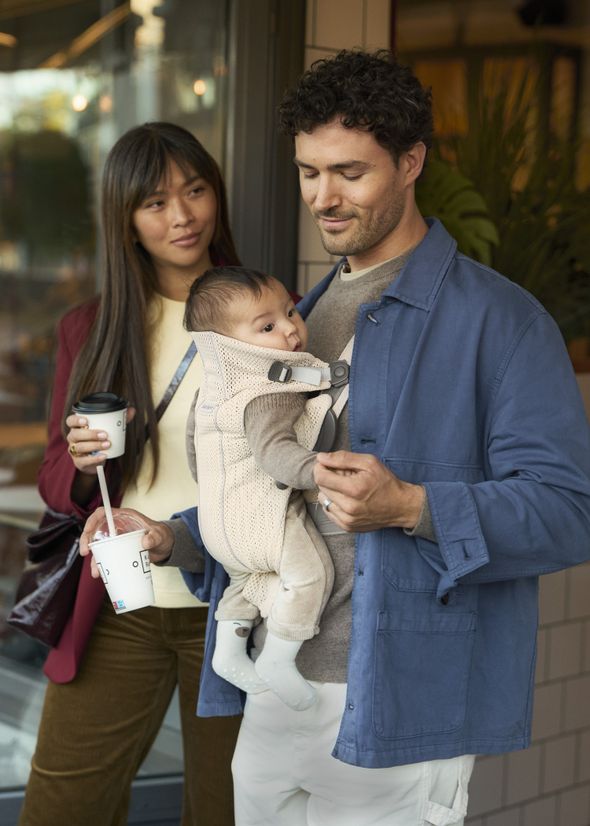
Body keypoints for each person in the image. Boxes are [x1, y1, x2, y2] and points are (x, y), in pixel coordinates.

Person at [81, 51, 590, 826]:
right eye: (309, 172)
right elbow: (272, 497)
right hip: (273, 683)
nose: (324, 196)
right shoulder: (294, 319)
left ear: (411, 163)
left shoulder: (502, 320)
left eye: (350, 172)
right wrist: (170, 539)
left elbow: (567, 511)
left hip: (399, 694)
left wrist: (411, 506)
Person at [18, 122, 242, 826]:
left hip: (235, 607)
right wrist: (84, 464)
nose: (182, 216)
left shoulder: (269, 314)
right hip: (123, 599)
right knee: (62, 805)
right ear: (127, 220)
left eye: (195, 190)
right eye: (155, 202)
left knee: (227, 811)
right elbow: (54, 481)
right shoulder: (92, 327)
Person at [184, 265, 336, 710]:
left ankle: (229, 652)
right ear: (229, 344)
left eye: (290, 312)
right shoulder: (267, 390)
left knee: (246, 583)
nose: (290, 328)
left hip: (218, 526)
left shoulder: (211, 393)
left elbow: (195, 453)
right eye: (267, 327)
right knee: (310, 575)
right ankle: (279, 658)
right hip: (262, 520)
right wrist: (318, 471)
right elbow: (275, 454)